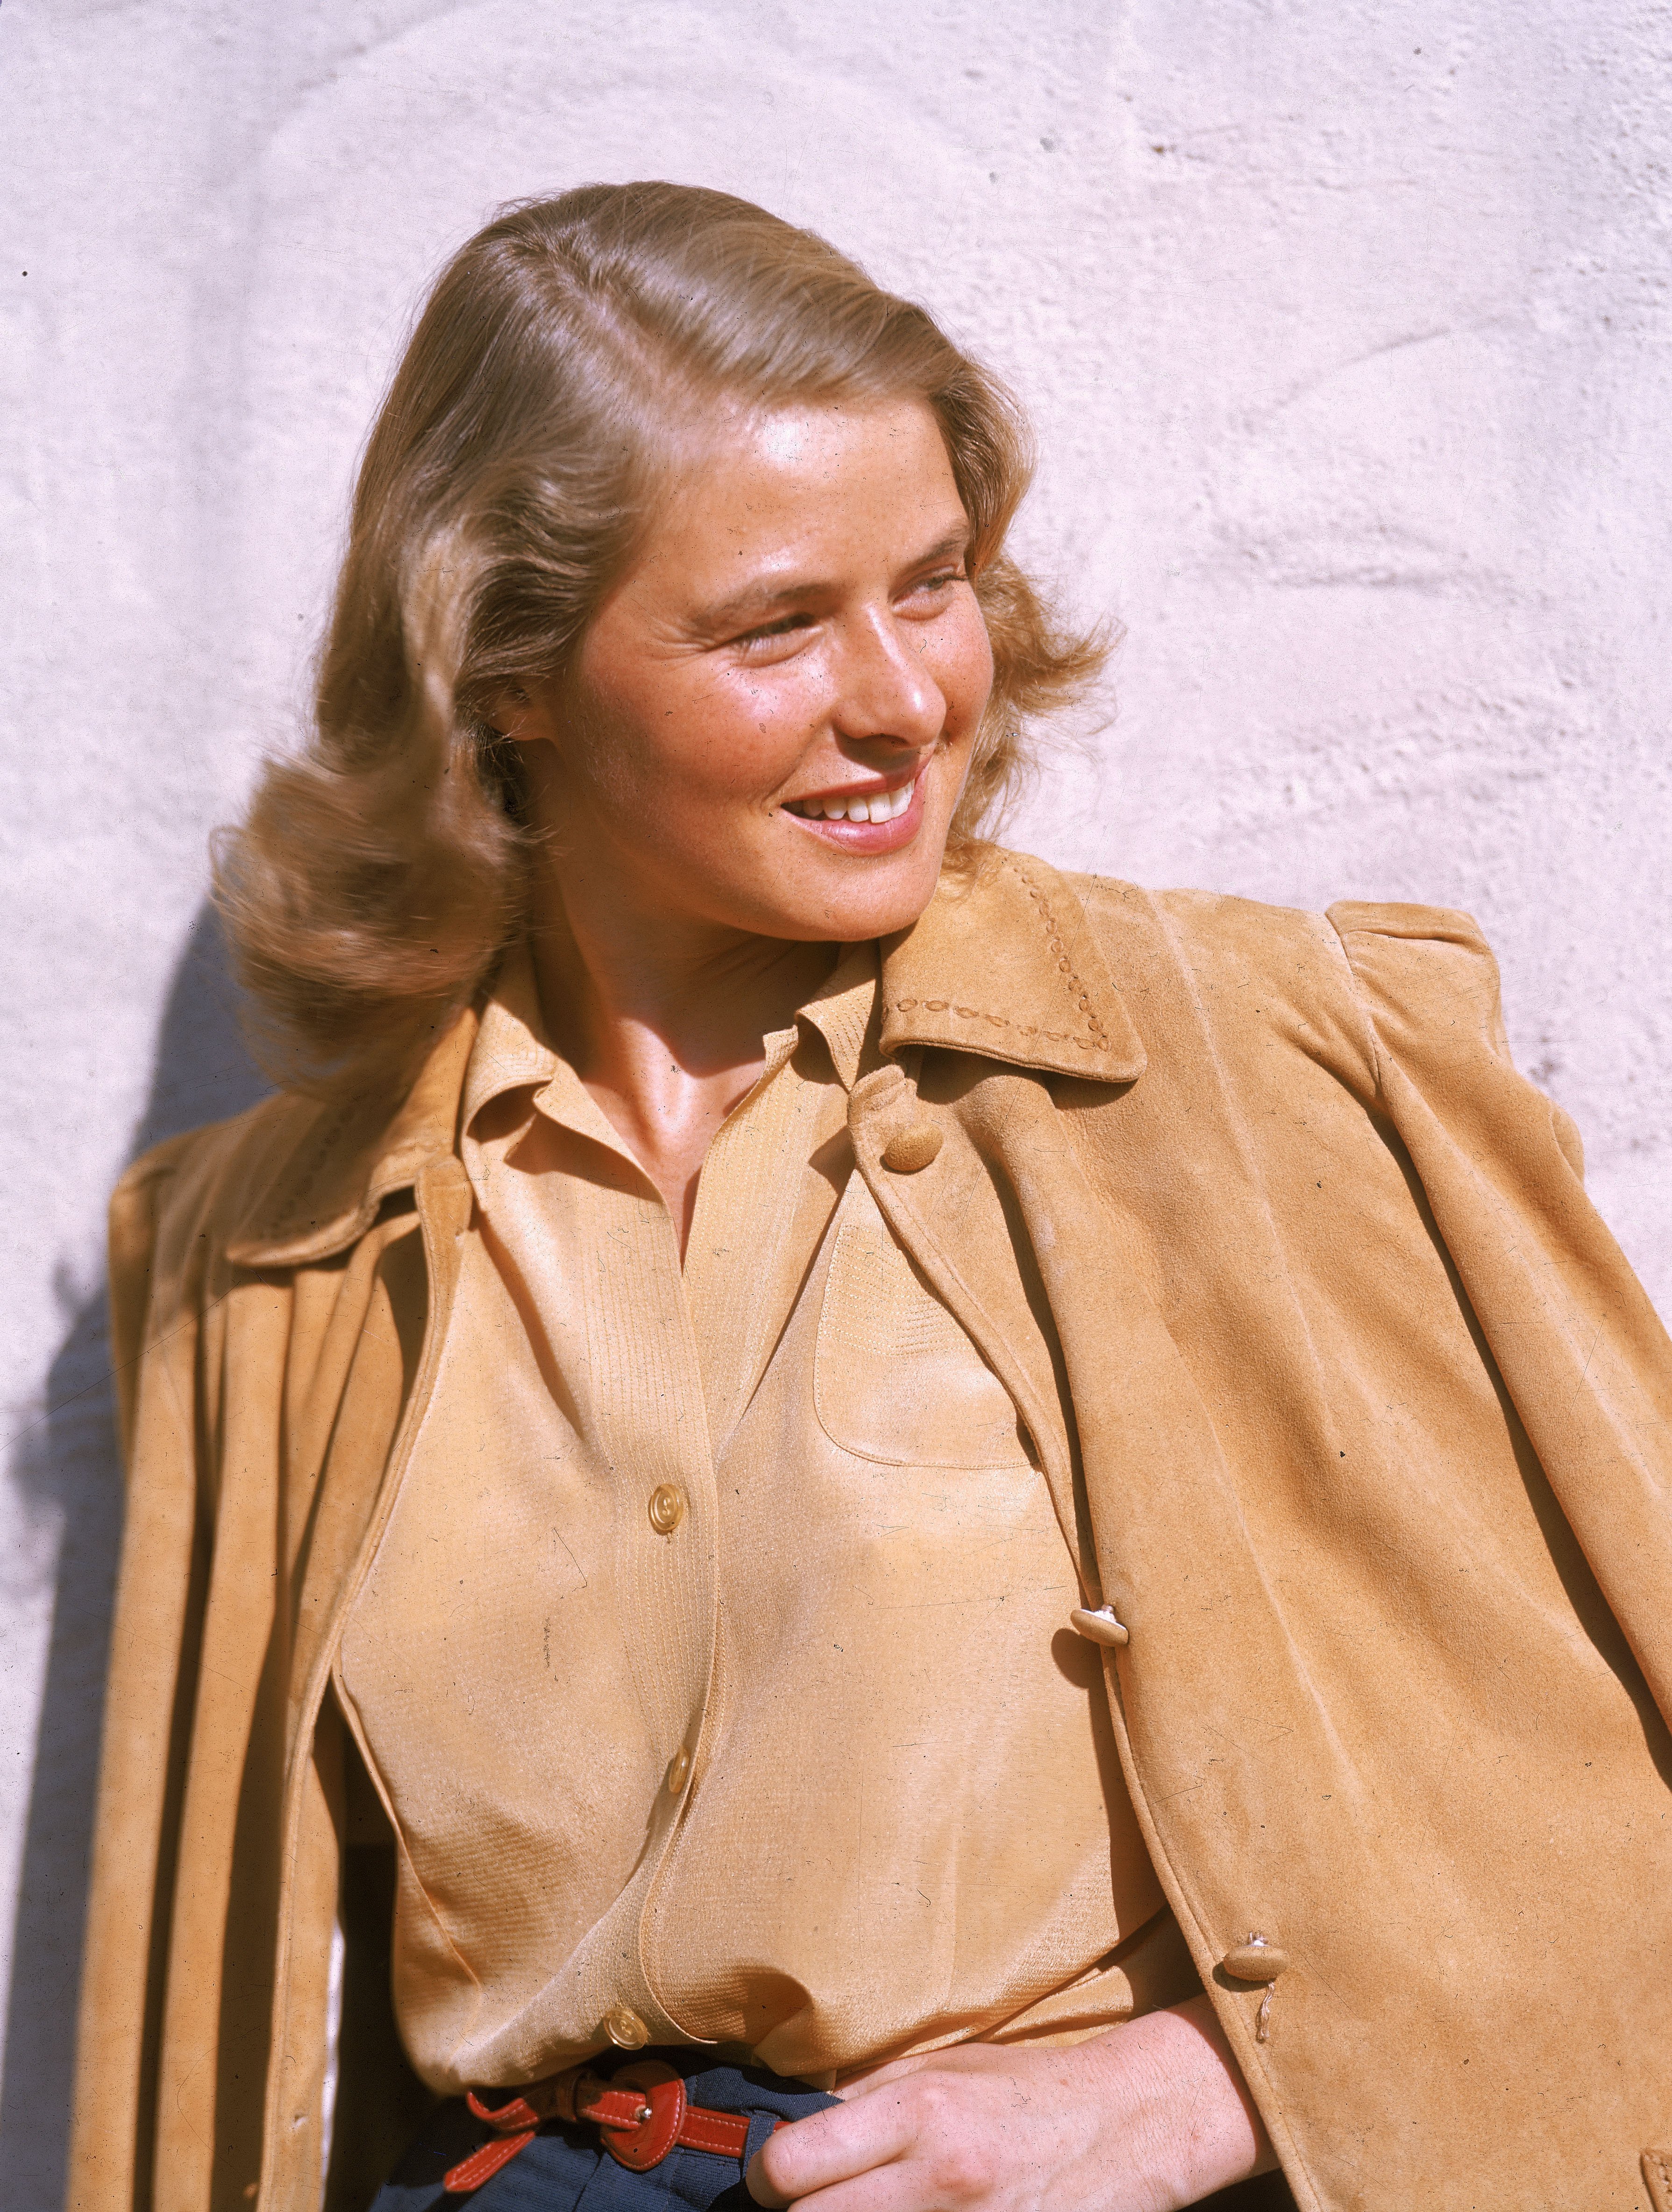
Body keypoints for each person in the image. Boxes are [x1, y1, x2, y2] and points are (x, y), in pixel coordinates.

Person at [67, 183, 1672, 2212]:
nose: (907, 695)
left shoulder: (1267, 1062)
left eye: (931, 584)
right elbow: (214, 2048)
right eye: (773, 625)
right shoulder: (269, 1248)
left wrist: (1218, 2079)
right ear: (507, 669)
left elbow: (1612, 1771)